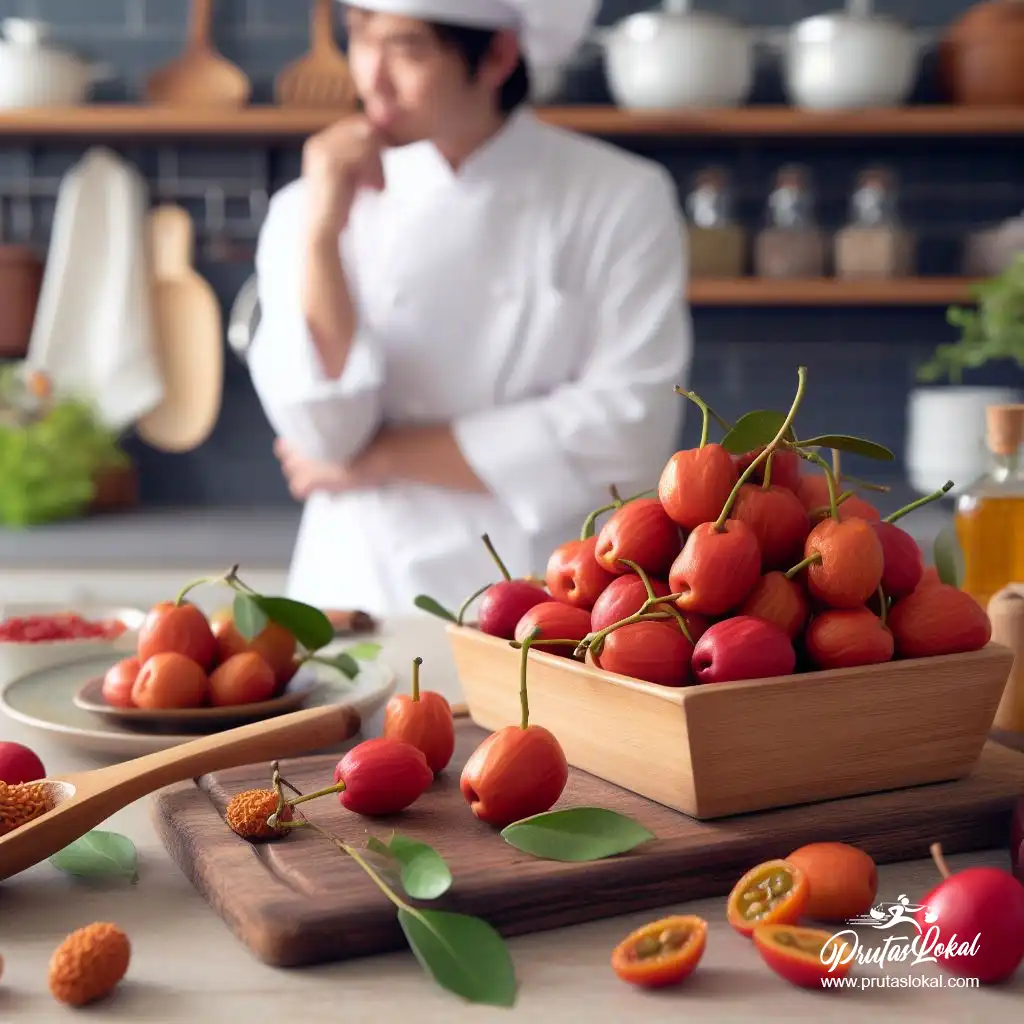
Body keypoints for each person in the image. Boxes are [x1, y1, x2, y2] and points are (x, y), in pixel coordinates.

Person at [246, 0, 694, 617]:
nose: (369, 76)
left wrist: (380, 458)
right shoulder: (309, 204)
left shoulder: (619, 198)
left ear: (499, 56)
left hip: (544, 604)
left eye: (406, 48)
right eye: (359, 37)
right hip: (357, 594)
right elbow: (323, 431)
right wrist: (322, 232)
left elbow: (630, 431)